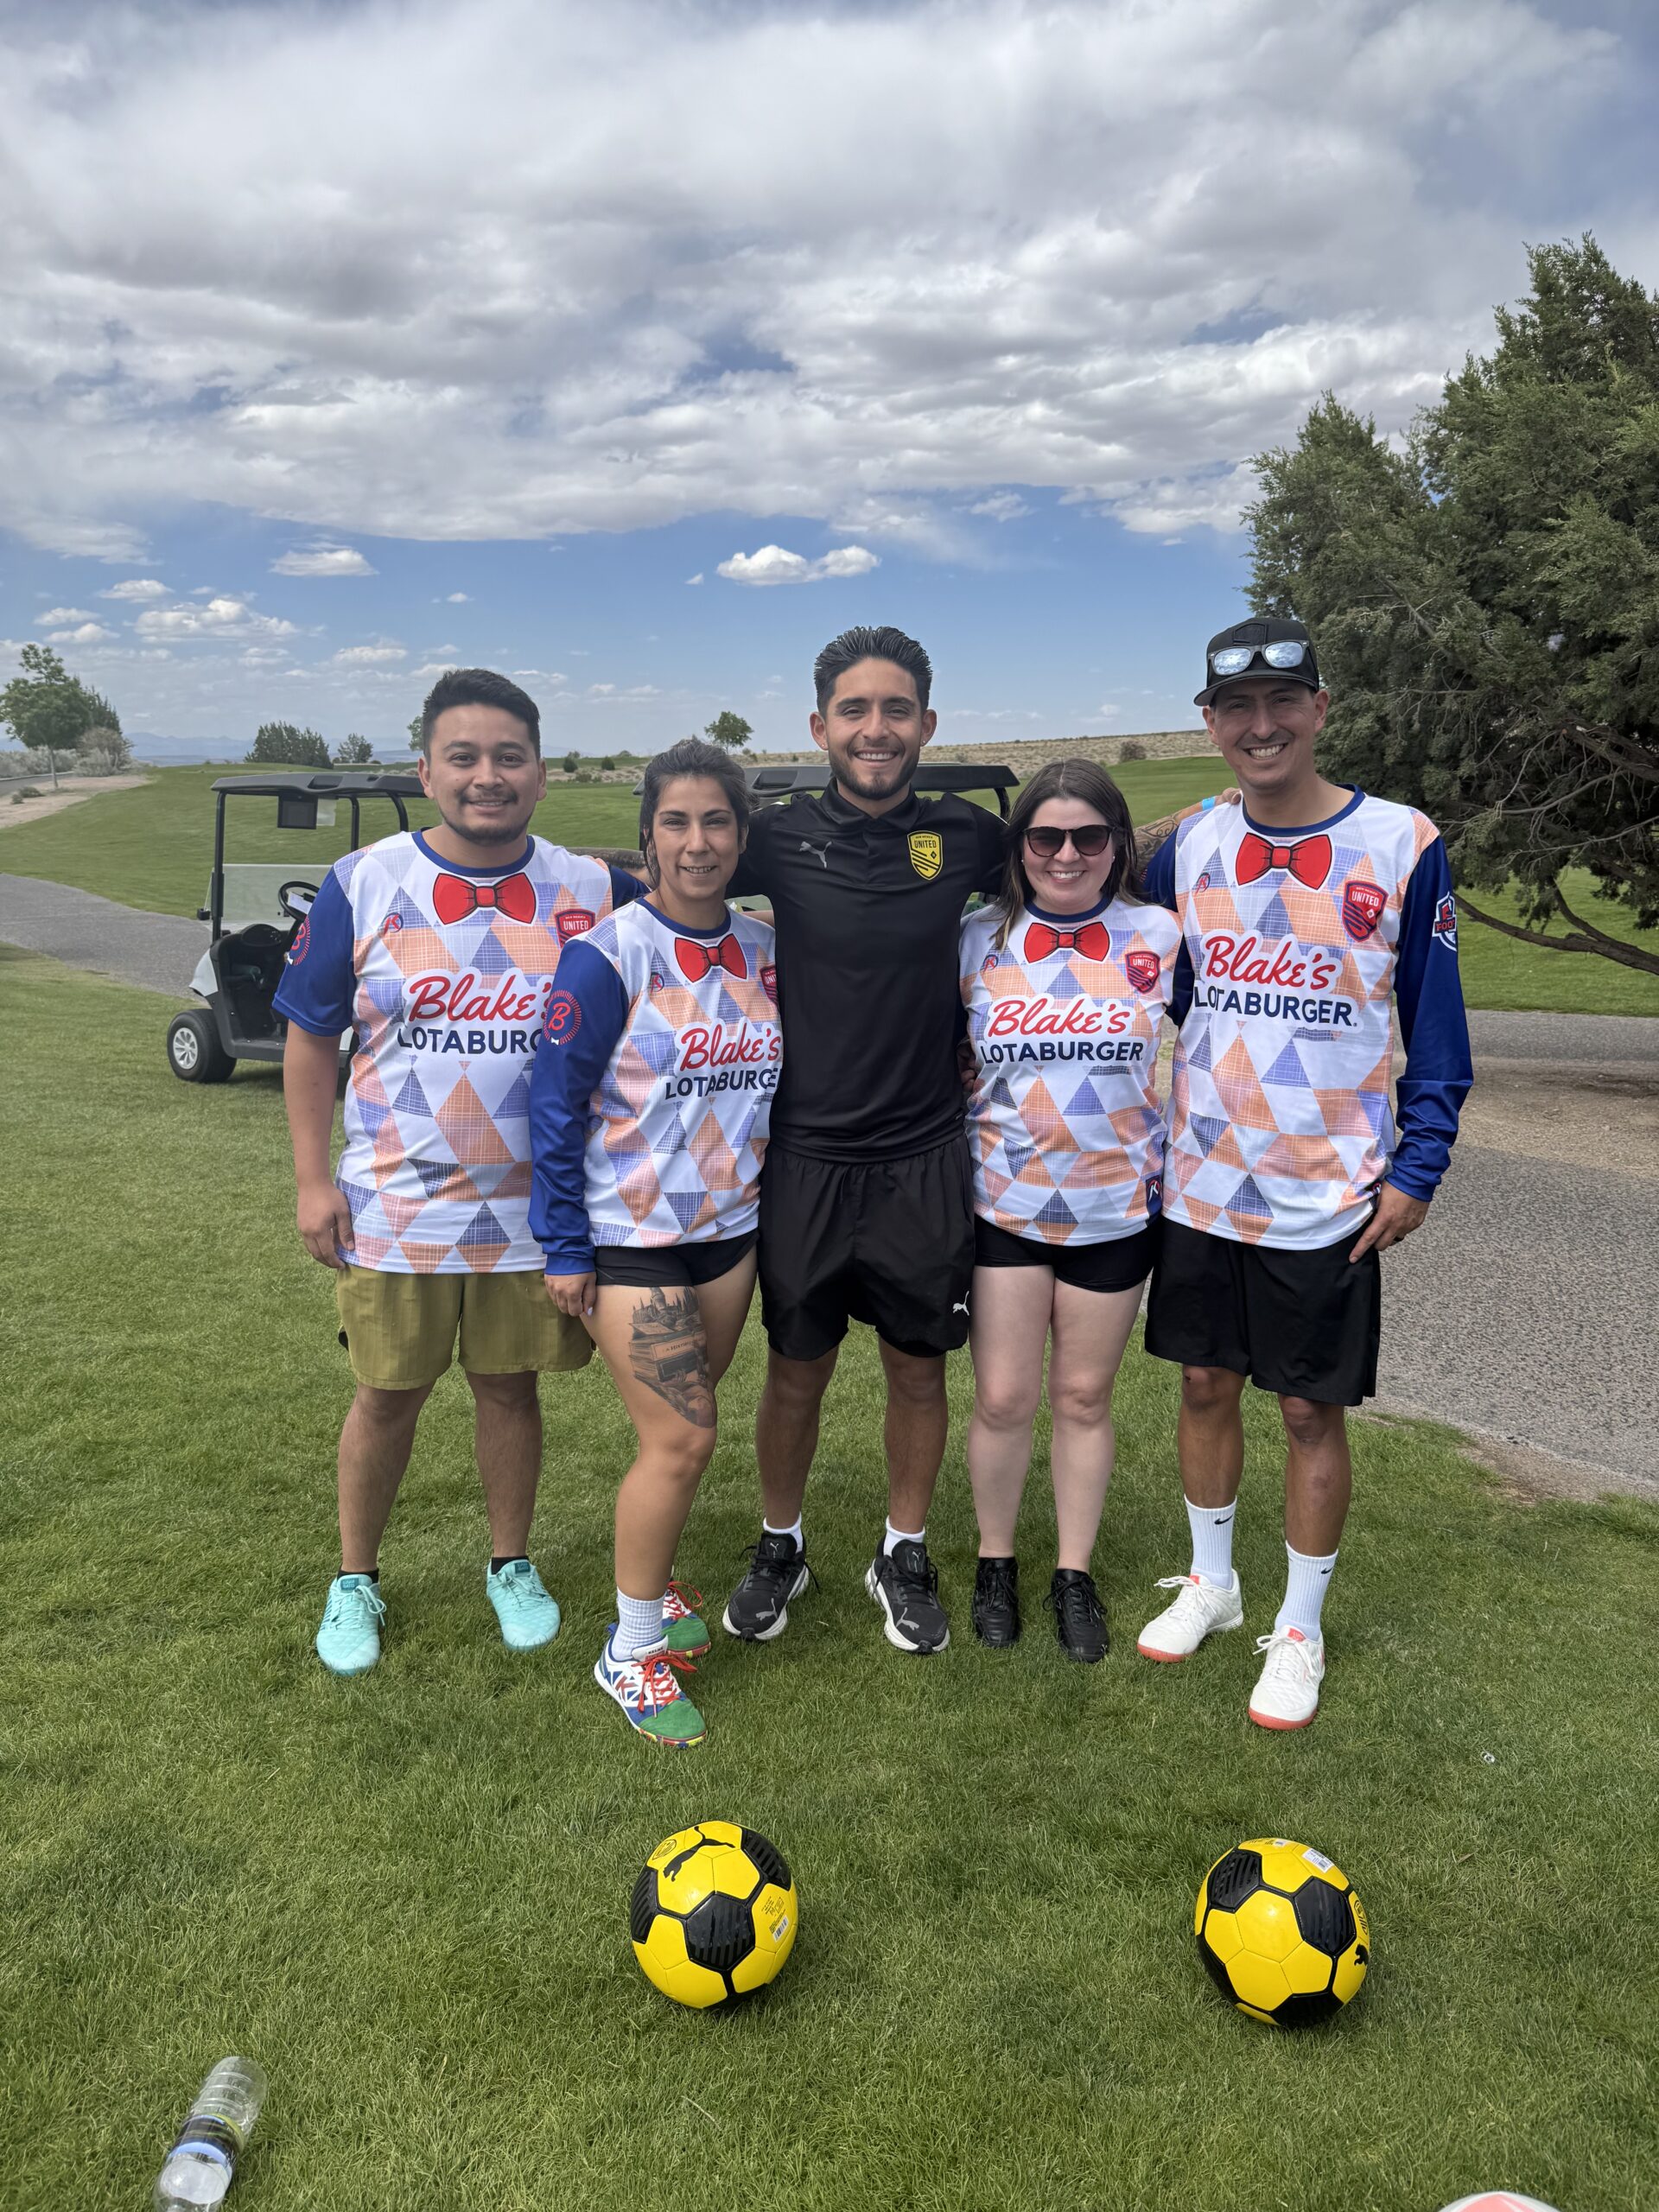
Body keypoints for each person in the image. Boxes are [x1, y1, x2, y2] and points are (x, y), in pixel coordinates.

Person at [275, 667, 645, 1677]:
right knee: (386, 1395)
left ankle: (509, 1562)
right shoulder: (366, 880)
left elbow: (700, 921)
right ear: (426, 769)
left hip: (535, 1215)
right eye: (466, 757)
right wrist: (315, 1183)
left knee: (507, 1388)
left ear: (541, 769)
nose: (490, 777)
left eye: (510, 756)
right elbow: (310, 1040)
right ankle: (356, 1578)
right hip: (397, 1206)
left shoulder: (591, 887)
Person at [1137, 616, 1471, 1728]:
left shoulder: (1402, 843)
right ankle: (1215, 1585)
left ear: (1322, 710)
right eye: (1238, 708)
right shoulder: (1183, 844)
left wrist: (1418, 1169)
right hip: (1200, 1182)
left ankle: (1300, 1626)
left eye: (1285, 703)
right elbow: (1110, 956)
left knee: (1309, 1414)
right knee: (1200, 1385)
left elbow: (1439, 1029)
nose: (1262, 725)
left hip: (1328, 1191)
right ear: (1212, 723)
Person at [718, 625, 1007, 1656]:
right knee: (796, 1369)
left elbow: (1077, 879)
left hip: (926, 1154)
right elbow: (674, 868)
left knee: (918, 1370)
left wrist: (985, 1026)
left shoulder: (970, 835)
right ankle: (781, 1542)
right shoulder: (774, 835)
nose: (875, 729)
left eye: (895, 710)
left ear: (927, 723)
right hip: (805, 1158)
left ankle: (905, 1549)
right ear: (819, 725)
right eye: (855, 710)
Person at [529, 740, 780, 1748]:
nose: (697, 840)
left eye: (716, 820)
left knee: (678, 1430)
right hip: (630, 1234)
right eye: (675, 822)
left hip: (729, 1231)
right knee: (684, 1438)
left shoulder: (766, 947)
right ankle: (628, 1648)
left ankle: (656, 1577)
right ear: (648, 837)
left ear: (741, 835)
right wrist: (563, 1244)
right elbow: (553, 1101)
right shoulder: (608, 952)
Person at [959, 759, 1181, 1662]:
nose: (1067, 854)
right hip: (1003, 1203)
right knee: (1005, 1397)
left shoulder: (1162, 934)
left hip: (1116, 1206)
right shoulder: (976, 938)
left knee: (1085, 1396)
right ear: (1020, 847)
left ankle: (1074, 1574)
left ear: (1116, 845)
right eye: (1045, 837)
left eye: (1089, 837)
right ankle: (995, 1561)